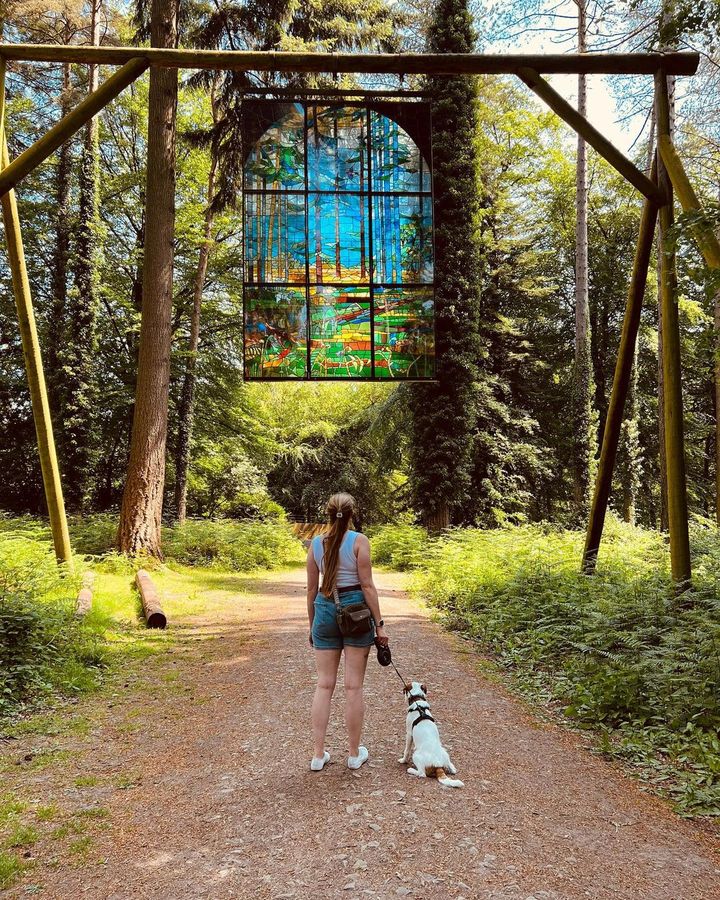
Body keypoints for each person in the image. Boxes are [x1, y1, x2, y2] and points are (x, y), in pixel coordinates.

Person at [306, 492, 388, 772]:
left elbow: (310, 589)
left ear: (328, 513)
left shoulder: (316, 543)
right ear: (351, 514)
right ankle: (353, 754)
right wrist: (379, 625)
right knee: (353, 686)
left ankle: (318, 755)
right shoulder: (359, 541)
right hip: (355, 612)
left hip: (325, 610)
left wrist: (312, 624)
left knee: (324, 684)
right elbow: (367, 586)